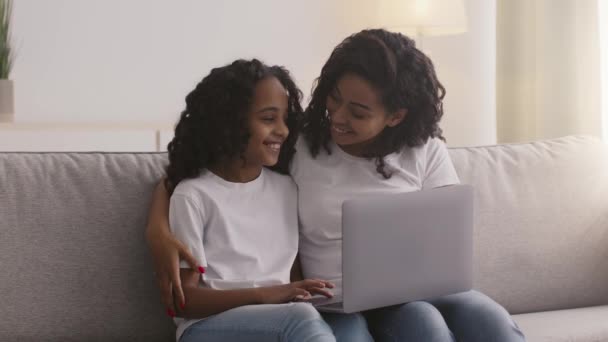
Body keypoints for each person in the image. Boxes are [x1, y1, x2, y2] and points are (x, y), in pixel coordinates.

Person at [147, 30, 526, 342]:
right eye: (335, 99)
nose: (338, 118)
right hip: (333, 303)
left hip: (414, 293)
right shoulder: (301, 144)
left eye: (358, 113)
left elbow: (446, 239)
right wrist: (157, 229)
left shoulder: (424, 151)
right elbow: (206, 164)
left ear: (395, 116)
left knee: (478, 324)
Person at [158, 58, 336, 342]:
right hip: (206, 326)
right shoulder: (194, 195)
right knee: (300, 319)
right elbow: (184, 301)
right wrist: (264, 295)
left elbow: (291, 279)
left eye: (285, 119)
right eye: (268, 119)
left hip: (278, 322)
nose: (284, 130)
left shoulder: (287, 188)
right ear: (229, 123)